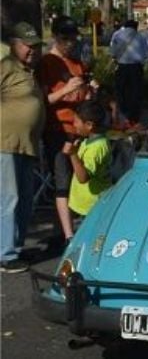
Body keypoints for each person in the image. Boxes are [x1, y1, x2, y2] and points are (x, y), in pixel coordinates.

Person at [38, 16, 97, 246]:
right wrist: (66, 91)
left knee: (82, 179)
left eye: (73, 38)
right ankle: (68, 235)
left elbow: (83, 97)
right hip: (58, 128)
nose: (70, 43)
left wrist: (90, 92)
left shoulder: (77, 63)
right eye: (65, 38)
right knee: (62, 180)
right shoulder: (47, 63)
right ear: (55, 37)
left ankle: (84, 228)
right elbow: (44, 99)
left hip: (80, 127)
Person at [0, 22, 45, 273]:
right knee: (9, 199)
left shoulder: (28, 70)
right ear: (14, 44)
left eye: (35, 46)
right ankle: (5, 255)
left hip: (26, 145)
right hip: (5, 143)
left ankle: (14, 247)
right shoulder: (5, 66)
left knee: (26, 199)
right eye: (28, 46)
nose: (32, 50)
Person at [62, 101, 111, 219]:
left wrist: (73, 154)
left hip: (91, 208)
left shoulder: (97, 147)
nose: (74, 124)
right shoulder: (87, 141)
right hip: (84, 206)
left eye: (76, 121)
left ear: (89, 125)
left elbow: (83, 177)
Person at [109, 19, 148, 126]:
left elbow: (112, 52)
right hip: (136, 68)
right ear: (136, 27)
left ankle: (122, 115)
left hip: (122, 68)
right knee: (135, 93)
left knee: (121, 92)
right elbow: (146, 54)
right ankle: (134, 118)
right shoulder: (141, 36)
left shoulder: (117, 35)